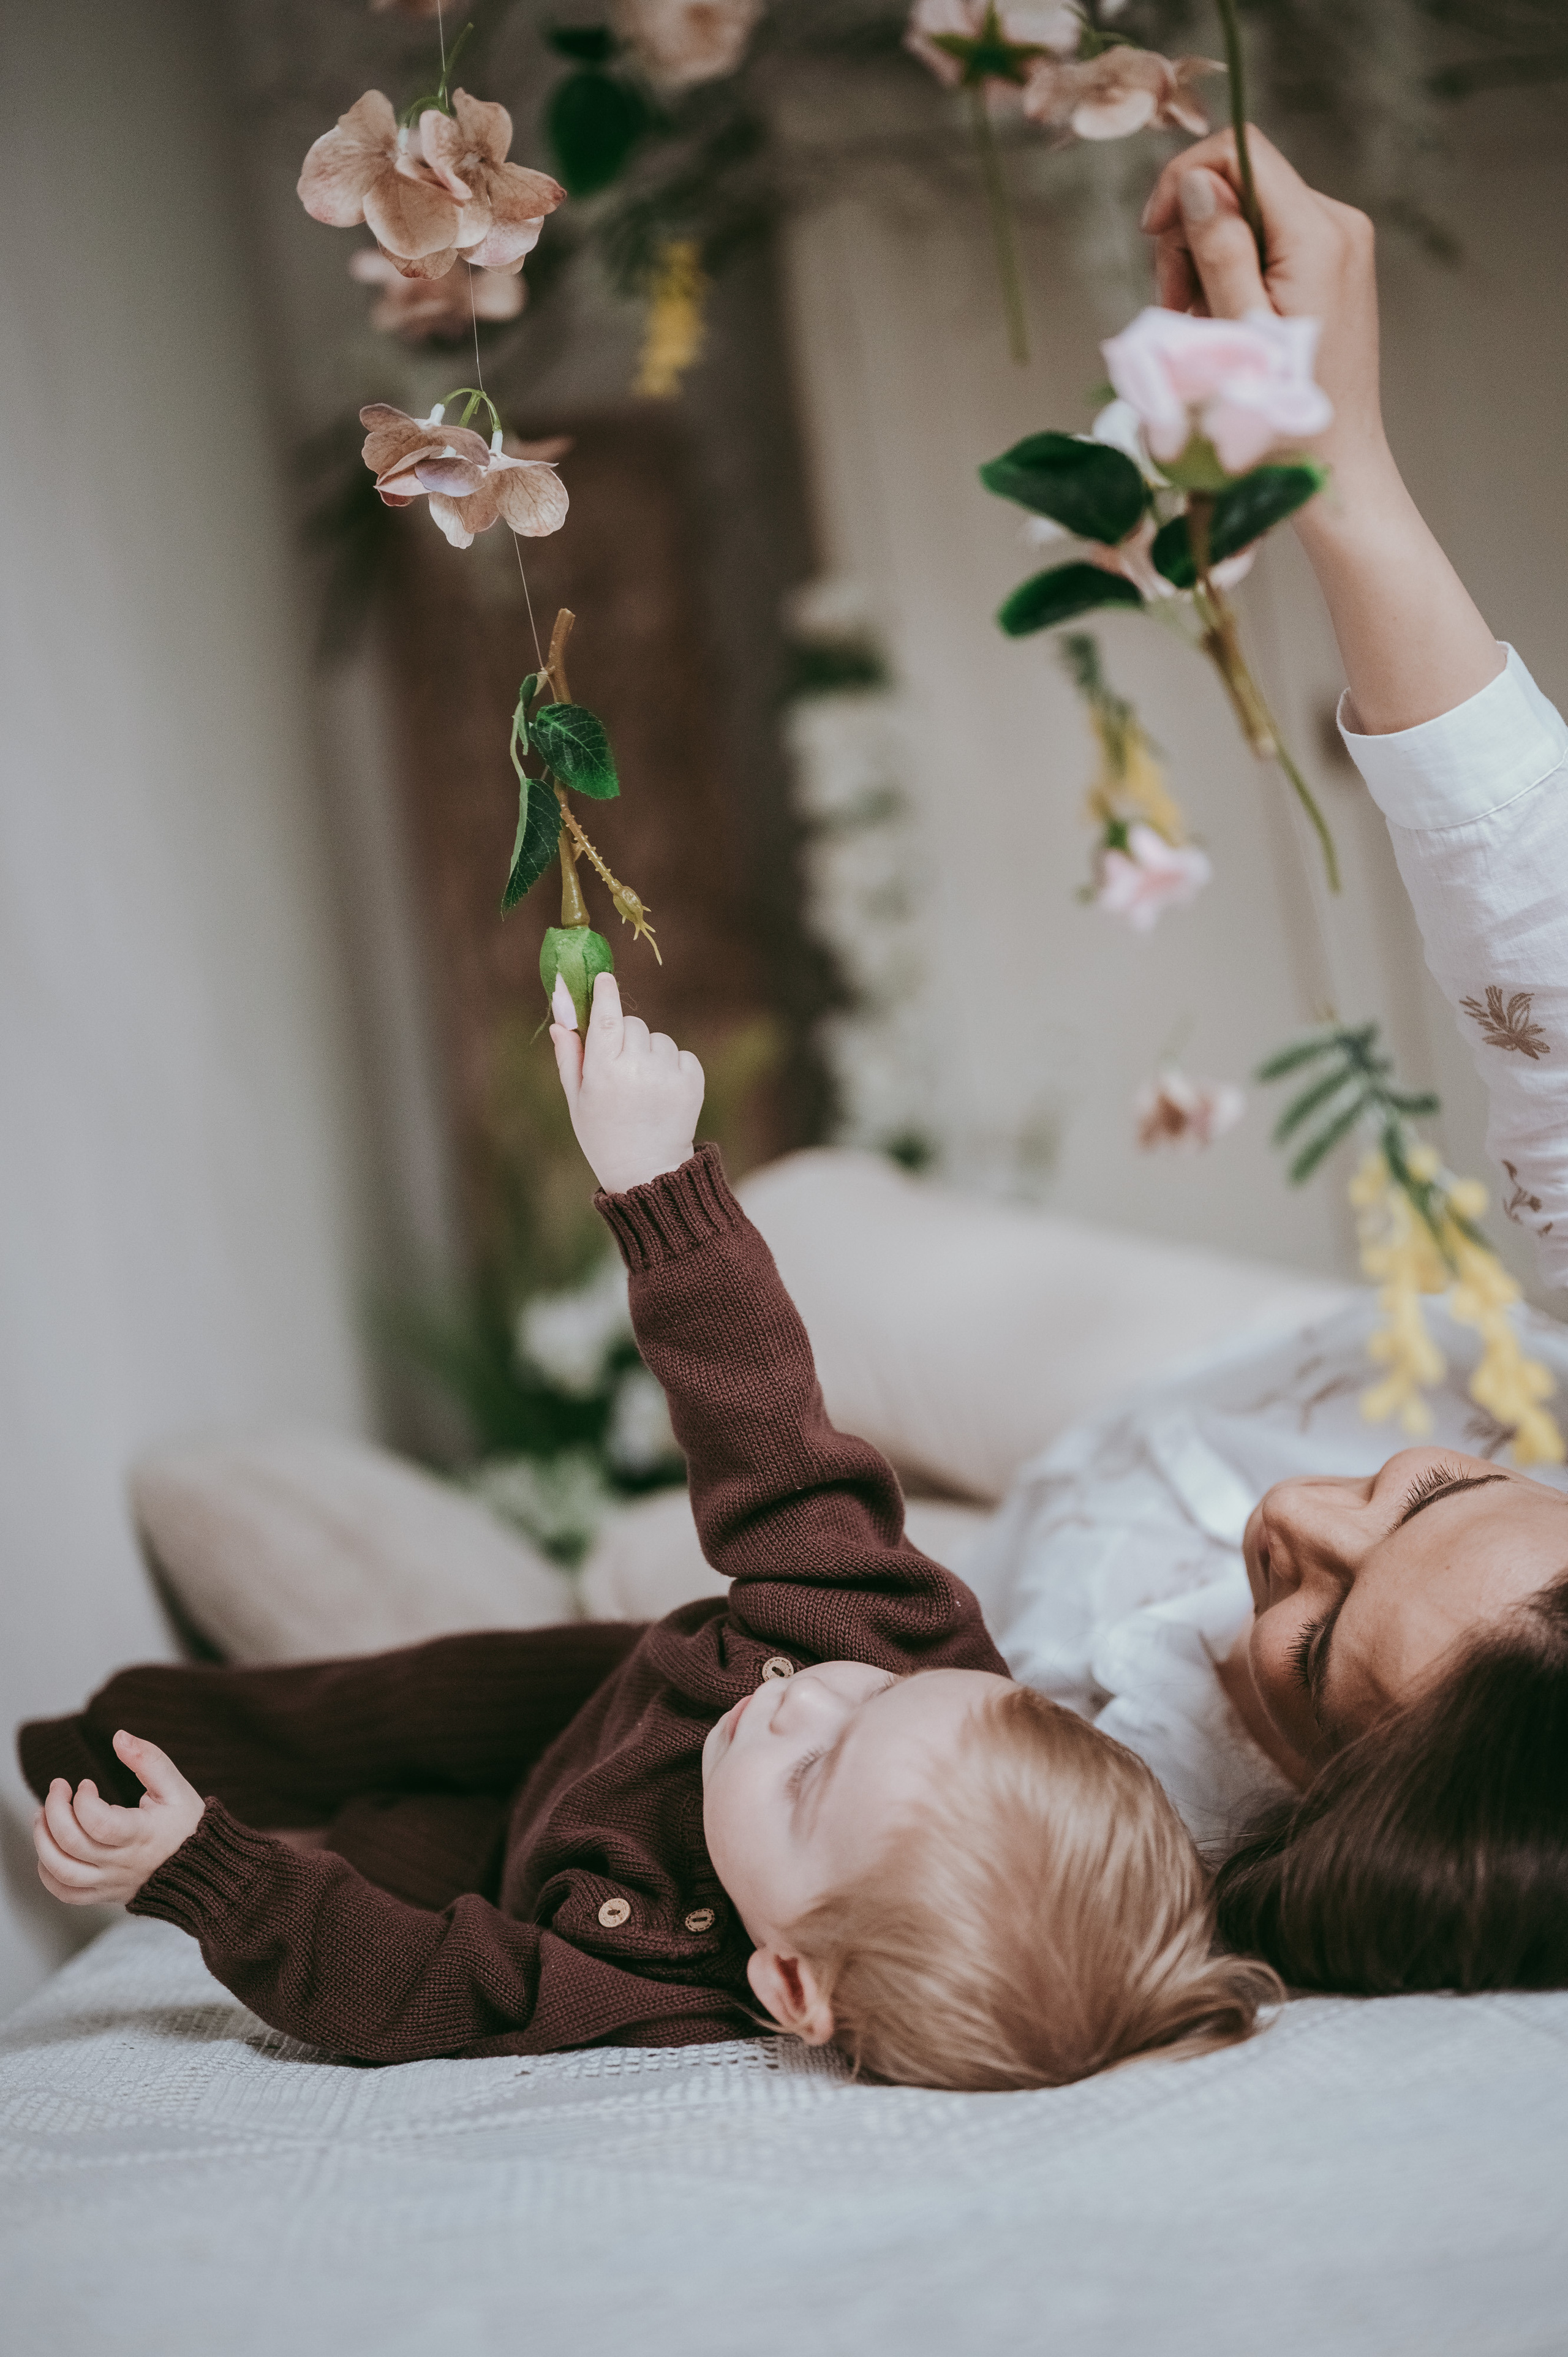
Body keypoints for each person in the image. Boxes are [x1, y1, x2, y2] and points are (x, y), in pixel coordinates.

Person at [19, 985, 1273, 2089]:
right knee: (378, 1704)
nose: (798, 1711)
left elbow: (418, 1990)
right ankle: (100, 1740)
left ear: (791, 1985)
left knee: (371, 1856)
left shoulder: (643, 1982)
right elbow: (765, 1426)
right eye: (866, 1704)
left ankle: (139, 1813)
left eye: (805, 1783)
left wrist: (205, 1871)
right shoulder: (892, 1631)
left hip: (513, 1867)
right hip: (594, 1696)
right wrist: (657, 1185)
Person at [968, 128, 1568, 1997]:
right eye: (1444, 1490)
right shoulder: (1313, 1449)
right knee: (815, 1224)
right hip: (1193, 1348)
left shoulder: (1140, 1825)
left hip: (1007, 1558)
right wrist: (1336, 466)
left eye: (1310, 1652)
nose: (1292, 1520)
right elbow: (1538, 946)